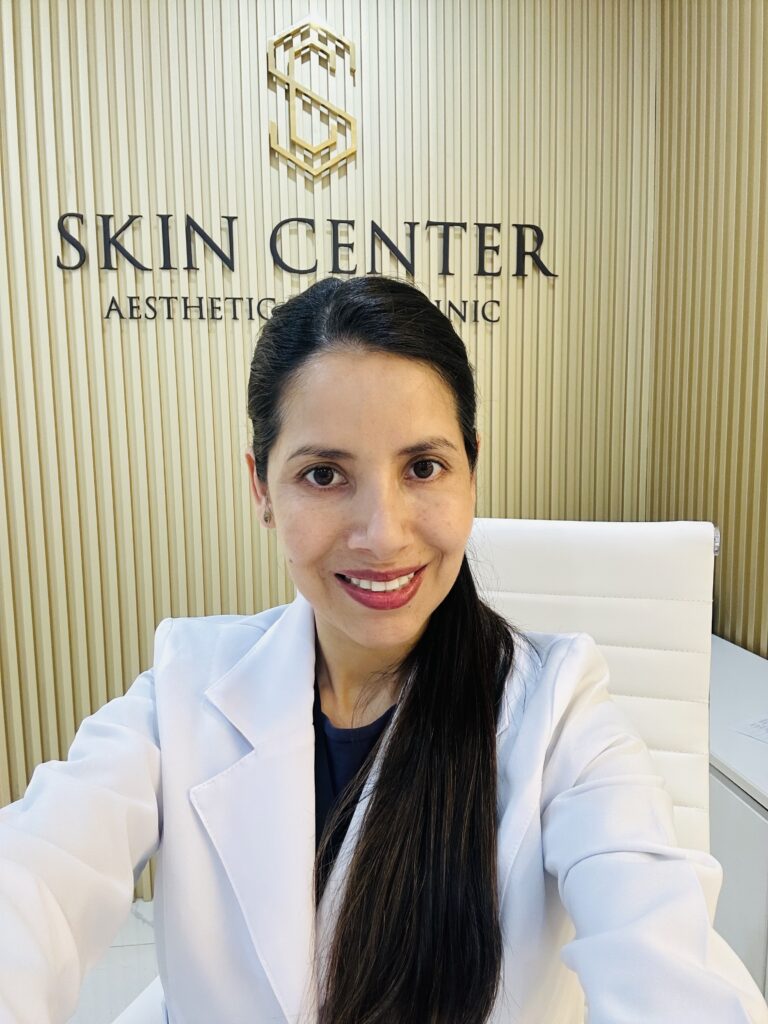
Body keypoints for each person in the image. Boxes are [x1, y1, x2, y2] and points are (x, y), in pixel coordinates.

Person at [0, 275, 766, 1024]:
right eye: (324, 474)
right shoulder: (181, 689)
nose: (383, 534)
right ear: (261, 489)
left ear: (471, 469)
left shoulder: (560, 713)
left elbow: (665, 954)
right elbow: (35, 875)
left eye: (423, 468)